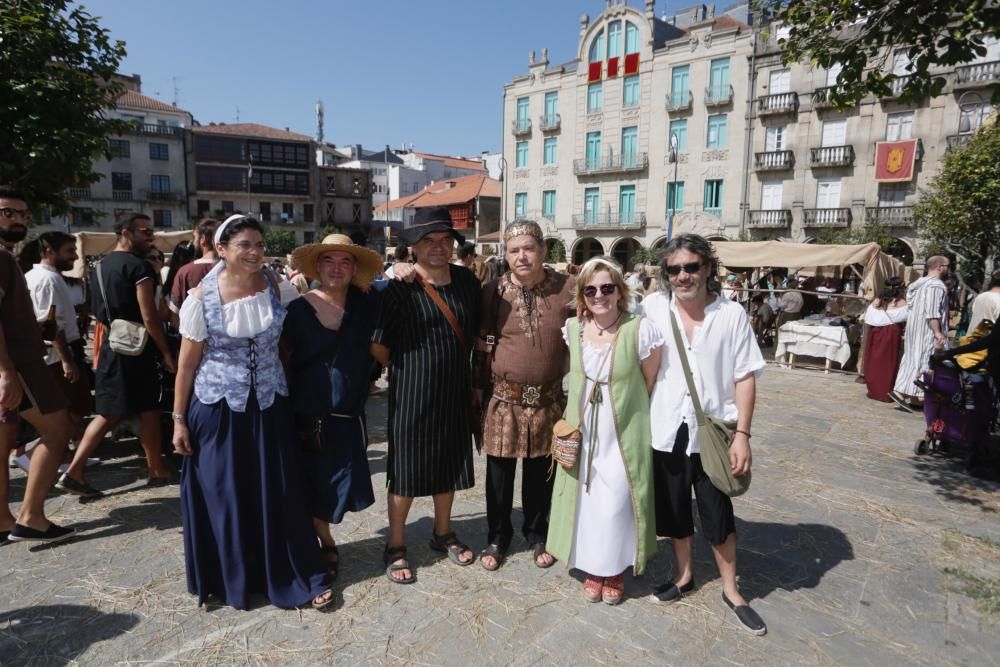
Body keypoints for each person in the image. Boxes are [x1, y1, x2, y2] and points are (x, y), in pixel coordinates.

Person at [171, 214, 333, 610]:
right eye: (244, 245)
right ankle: (234, 580)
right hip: (218, 409)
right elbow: (187, 366)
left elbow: (309, 327)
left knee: (278, 492)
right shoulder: (200, 298)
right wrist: (177, 420)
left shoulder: (277, 288)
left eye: (259, 245)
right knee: (228, 495)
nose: (255, 252)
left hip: (269, 405)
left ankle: (290, 574)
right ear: (221, 248)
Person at [638, 234, 767, 635]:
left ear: (708, 268)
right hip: (665, 429)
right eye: (674, 269)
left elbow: (745, 376)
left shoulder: (731, 315)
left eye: (691, 267)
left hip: (713, 433)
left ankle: (732, 590)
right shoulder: (653, 308)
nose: (682, 276)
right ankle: (684, 576)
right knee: (675, 512)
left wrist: (743, 434)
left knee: (717, 513)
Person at [370, 206, 481, 584]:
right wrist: (411, 367)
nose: (438, 247)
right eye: (428, 240)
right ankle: (396, 544)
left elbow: (475, 331)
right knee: (405, 470)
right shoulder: (399, 287)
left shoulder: (467, 282)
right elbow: (379, 346)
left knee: (447, 464)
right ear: (413, 247)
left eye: (445, 239)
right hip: (413, 391)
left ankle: (442, 533)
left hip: (455, 389)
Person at [547, 256, 662, 605]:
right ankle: (594, 567)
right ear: (582, 295)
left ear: (619, 291)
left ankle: (614, 570)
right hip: (583, 428)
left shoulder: (640, 330)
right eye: (591, 290)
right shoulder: (573, 330)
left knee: (616, 501)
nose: (600, 295)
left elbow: (649, 380)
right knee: (588, 499)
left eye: (607, 288)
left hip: (621, 427)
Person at [473, 221, 575, 571]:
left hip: (549, 400)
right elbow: (481, 347)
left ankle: (537, 533)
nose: (522, 256)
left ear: (544, 251)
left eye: (528, 248)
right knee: (499, 474)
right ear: (506, 253)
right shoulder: (491, 292)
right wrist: (476, 391)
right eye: (514, 250)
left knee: (540, 473)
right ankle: (497, 536)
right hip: (503, 400)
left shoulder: (569, 289)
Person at [284, 234, 383, 581]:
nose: (336, 268)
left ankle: (322, 538)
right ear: (317, 267)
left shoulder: (367, 304)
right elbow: (283, 362)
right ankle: (323, 542)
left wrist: (407, 272)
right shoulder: (296, 310)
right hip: (308, 414)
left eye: (345, 262)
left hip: (348, 416)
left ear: (355, 268)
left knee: (337, 484)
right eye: (329, 261)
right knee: (312, 483)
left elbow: (401, 300)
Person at [57, 213, 176, 498]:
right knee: (116, 412)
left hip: (113, 342)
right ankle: (75, 470)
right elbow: (149, 316)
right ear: (126, 232)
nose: (151, 236)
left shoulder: (99, 266)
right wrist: (165, 352)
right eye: (146, 232)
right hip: (138, 346)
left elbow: (93, 308)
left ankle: (156, 468)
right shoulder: (139, 267)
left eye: (152, 231)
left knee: (141, 408)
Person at [0, 187, 75, 544]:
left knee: (2, 445)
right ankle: (31, 517)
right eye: (8, 212)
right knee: (59, 428)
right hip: (17, 366)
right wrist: (6, 372)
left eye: (22, 214)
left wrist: (35, 327)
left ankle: (2, 520)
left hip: (16, 361)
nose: (17, 219)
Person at [24, 232, 94, 453]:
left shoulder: (47, 277)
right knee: (66, 412)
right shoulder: (46, 280)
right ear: (49, 251)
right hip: (56, 356)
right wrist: (66, 361)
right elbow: (52, 325)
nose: (74, 257)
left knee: (75, 408)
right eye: (69, 251)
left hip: (57, 353)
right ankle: (46, 457)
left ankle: (65, 458)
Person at [890, 256, 951, 411]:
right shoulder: (935, 286)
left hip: (914, 328)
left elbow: (911, 306)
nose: (948, 268)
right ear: (939, 267)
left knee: (913, 358)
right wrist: (938, 332)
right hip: (926, 331)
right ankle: (901, 392)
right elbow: (932, 312)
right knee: (924, 359)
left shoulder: (916, 285)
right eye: (947, 265)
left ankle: (915, 397)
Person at [862, 278, 908, 402]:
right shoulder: (903, 301)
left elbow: (869, 316)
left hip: (876, 332)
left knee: (874, 361)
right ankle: (885, 391)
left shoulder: (878, 300)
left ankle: (875, 390)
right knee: (888, 361)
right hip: (892, 332)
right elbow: (906, 316)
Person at [169, 219, 219, 329]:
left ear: (203, 239)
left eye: (195, 237)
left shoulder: (185, 271)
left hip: (194, 339)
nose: (193, 242)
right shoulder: (234, 269)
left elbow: (174, 316)